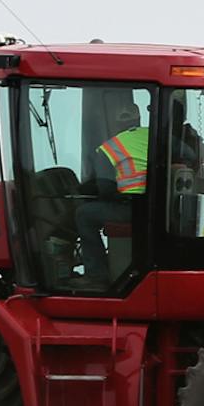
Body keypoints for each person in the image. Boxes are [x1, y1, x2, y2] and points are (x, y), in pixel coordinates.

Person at [77, 100, 148, 283]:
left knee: (84, 214)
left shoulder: (111, 147)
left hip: (132, 210)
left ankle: (96, 275)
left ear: (114, 123)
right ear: (139, 118)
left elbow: (106, 189)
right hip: (160, 209)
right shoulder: (157, 136)